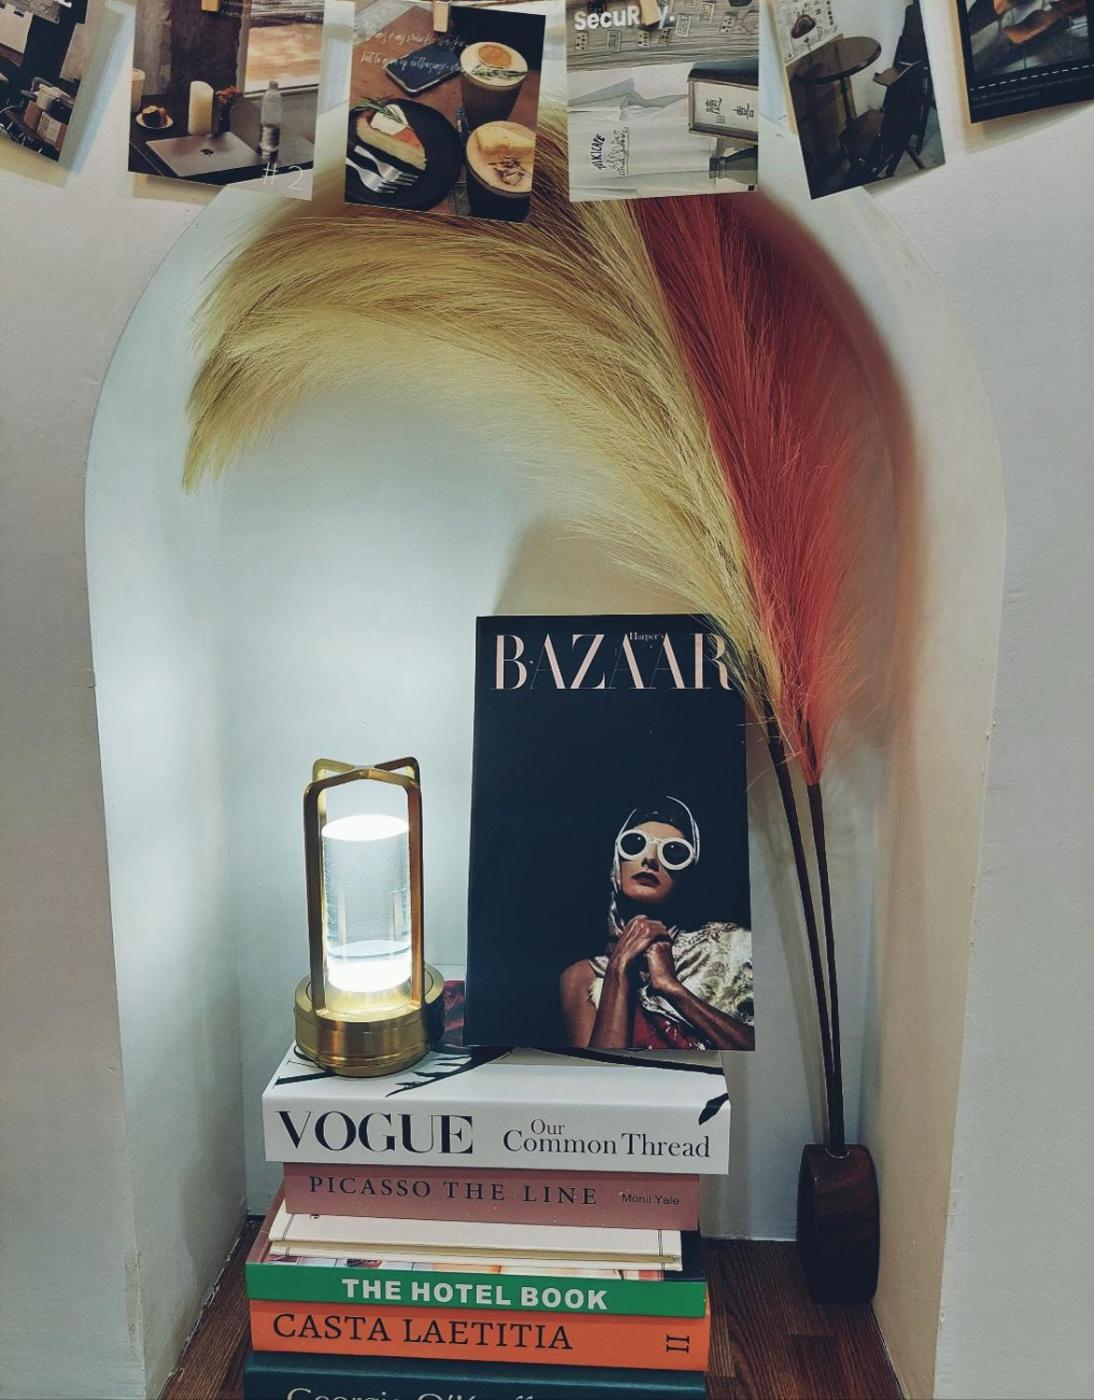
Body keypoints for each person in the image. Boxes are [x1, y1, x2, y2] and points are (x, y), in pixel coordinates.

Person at [559, 797, 754, 1051]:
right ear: (616, 864)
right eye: (635, 844)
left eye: (674, 852)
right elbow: (600, 1071)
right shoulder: (583, 976)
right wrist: (619, 965)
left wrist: (671, 987)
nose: (650, 859)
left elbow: (769, 1056)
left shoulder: (735, 947)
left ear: (688, 876)